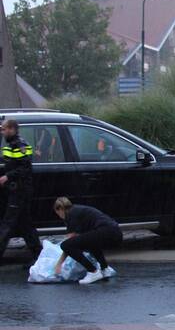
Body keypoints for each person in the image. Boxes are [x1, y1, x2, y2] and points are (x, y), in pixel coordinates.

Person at [51, 197, 122, 285]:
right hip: (116, 234)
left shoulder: (71, 215)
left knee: (65, 245)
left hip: (105, 232)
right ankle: (105, 269)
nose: (59, 216)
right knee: (89, 241)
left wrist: (59, 264)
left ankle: (93, 272)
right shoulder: (79, 210)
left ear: (60, 209)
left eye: (58, 213)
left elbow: (69, 243)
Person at [0, 119, 42, 264]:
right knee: (25, 224)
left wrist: (7, 176)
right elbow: (9, 162)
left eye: (4, 129)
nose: (2, 132)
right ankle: (38, 255)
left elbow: (26, 168)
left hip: (20, 190)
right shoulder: (11, 145)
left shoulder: (20, 145)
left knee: (7, 223)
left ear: (12, 129)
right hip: (17, 189)